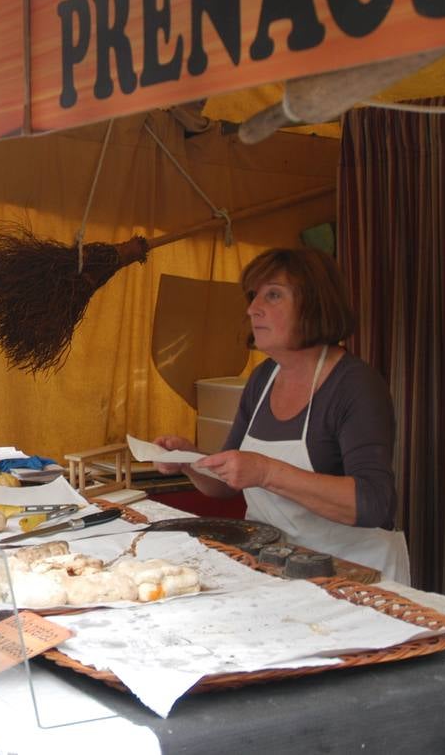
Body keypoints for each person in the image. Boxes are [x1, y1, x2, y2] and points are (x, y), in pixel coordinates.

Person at [155, 247, 410, 583]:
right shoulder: (263, 378)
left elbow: (373, 503)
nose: (253, 308)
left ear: (314, 304)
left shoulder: (355, 385)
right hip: (274, 565)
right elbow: (226, 486)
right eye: (253, 295)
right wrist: (190, 461)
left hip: (354, 574)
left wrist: (266, 472)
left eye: (273, 295)